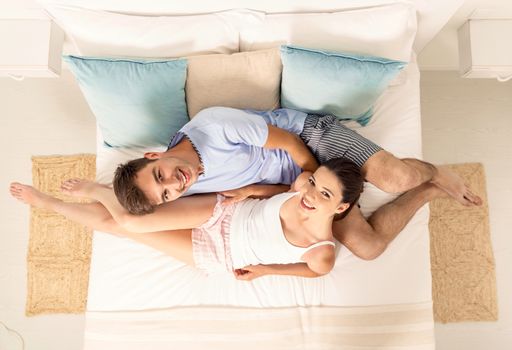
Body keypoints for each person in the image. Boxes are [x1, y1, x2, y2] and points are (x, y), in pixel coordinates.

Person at [11, 106, 483, 260]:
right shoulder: (185, 188)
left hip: (307, 142)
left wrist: (303, 179)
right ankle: (427, 191)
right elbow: (136, 217)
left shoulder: (213, 126)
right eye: (170, 191)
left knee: (396, 176)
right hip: (301, 186)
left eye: (163, 175)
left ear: (155, 154)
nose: (177, 183)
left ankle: (429, 172)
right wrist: (282, 194)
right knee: (366, 247)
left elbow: (292, 146)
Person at [11, 158, 371, 280]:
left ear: (341, 207)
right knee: (141, 215)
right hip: (223, 209)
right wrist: (249, 192)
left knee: (121, 226)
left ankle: (52, 203)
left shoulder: (321, 252)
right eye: (314, 183)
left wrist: (265, 270)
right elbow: (276, 191)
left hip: (219, 251)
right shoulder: (299, 186)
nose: (309, 195)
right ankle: (106, 191)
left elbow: (312, 272)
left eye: (323, 195)